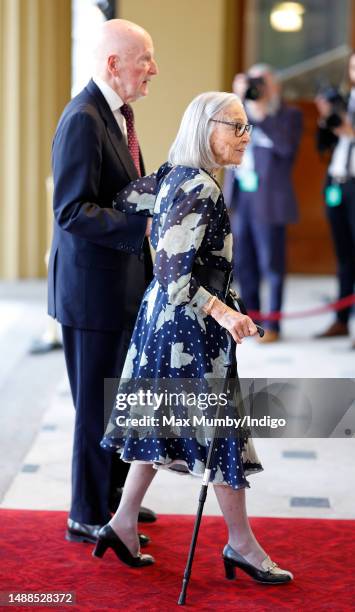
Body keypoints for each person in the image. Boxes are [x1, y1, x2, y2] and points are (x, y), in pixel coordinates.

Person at [95, 91, 293, 586]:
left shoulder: (173, 175)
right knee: (220, 432)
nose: (246, 136)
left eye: (248, 127)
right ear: (208, 128)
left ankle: (121, 523)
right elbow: (171, 273)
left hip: (162, 324)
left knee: (159, 423)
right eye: (237, 126)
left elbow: (124, 201)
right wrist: (226, 313)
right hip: (187, 328)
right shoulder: (198, 185)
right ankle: (241, 544)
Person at [47, 18, 158, 544]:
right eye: (146, 60)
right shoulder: (84, 119)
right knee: (96, 410)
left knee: (120, 402)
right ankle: (86, 514)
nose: (153, 69)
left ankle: (117, 500)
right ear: (115, 65)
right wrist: (144, 226)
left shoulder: (119, 116)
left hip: (121, 288)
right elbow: (70, 210)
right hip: (91, 295)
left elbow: (120, 191)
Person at [224, 64, 303, 343]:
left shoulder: (289, 116)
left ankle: (275, 324)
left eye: (263, 82)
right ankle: (254, 321)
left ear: (275, 87)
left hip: (270, 200)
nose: (257, 88)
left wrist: (260, 112)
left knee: (272, 264)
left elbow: (286, 147)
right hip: (241, 198)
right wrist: (237, 101)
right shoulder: (238, 113)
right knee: (243, 262)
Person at [314, 50, 355, 348]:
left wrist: (351, 132)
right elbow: (322, 146)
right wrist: (323, 120)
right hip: (337, 184)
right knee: (343, 257)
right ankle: (341, 320)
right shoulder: (343, 100)